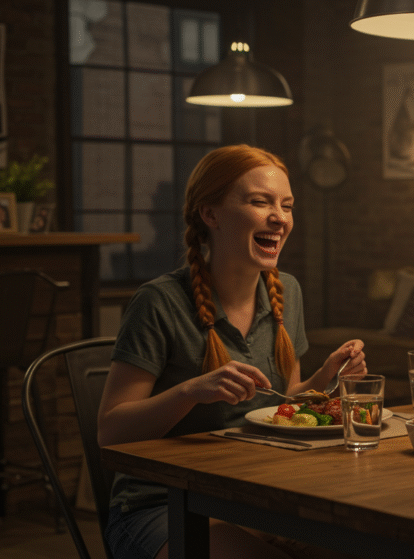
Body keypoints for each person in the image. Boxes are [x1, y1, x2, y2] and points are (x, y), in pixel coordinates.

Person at [97, 144, 366, 559]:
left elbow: (282, 404)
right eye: (260, 202)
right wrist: (190, 392)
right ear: (211, 214)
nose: (280, 217)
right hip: (164, 505)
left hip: (258, 494)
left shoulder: (287, 292)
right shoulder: (159, 302)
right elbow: (110, 432)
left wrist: (324, 379)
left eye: (287, 206)